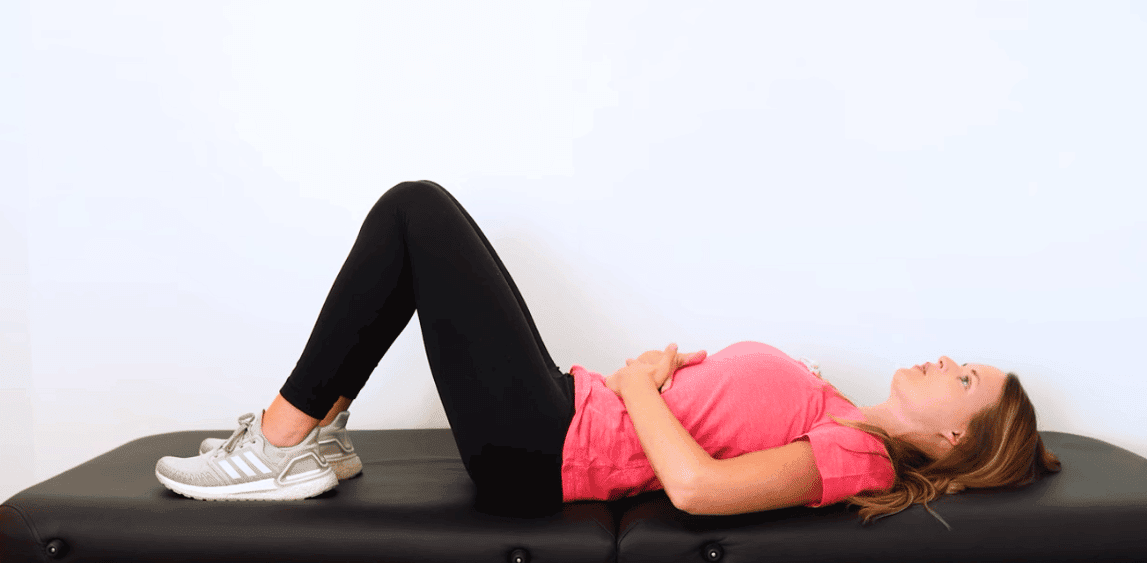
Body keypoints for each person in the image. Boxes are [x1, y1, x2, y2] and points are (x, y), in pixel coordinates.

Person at [155, 180, 1060, 522]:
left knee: (416, 211)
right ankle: (311, 431)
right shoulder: (842, 416)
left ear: (956, 439)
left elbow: (698, 490)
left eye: (966, 378)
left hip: (547, 448)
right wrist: (643, 387)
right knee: (418, 220)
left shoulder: (863, 457)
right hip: (560, 415)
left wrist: (640, 385)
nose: (947, 360)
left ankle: (281, 443)